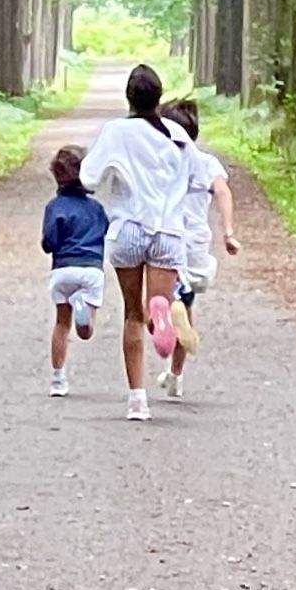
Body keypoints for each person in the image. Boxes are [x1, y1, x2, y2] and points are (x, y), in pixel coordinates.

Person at [82, 60, 194, 421]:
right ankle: (160, 312)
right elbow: (192, 180)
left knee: (132, 314)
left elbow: (88, 178)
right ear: (159, 96)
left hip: (129, 228)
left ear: (128, 97)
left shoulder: (116, 132)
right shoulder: (178, 135)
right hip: (168, 232)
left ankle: (137, 401)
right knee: (156, 305)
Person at [160, 94, 238, 402]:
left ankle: (167, 317)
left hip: (167, 238)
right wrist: (228, 232)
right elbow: (223, 191)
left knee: (157, 299)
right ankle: (176, 376)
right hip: (195, 244)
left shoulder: (163, 162)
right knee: (186, 303)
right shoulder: (207, 163)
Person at [42, 146, 107, 396]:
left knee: (61, 323)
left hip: (62, 270)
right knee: (86, 331)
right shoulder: (96, 208)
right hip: (90, 269)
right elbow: (106, 232)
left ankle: (58, 380)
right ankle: (83, 308)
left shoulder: (54, 207)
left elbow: (49, 242)